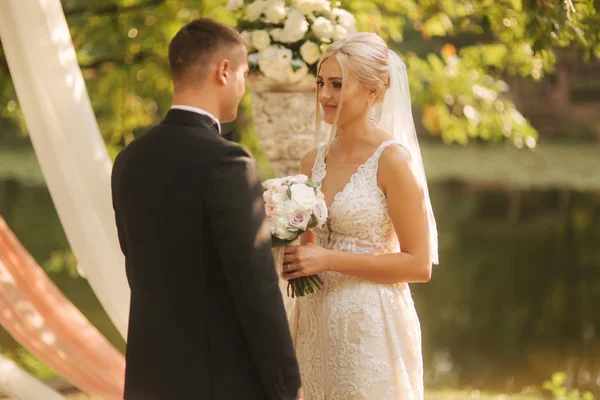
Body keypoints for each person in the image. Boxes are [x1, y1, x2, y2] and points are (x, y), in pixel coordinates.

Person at [111, 18, 301, 400]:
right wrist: (286, 386)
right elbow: (256, 288)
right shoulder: (229, 162)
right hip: (220, 381)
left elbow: (137, 267)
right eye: (245, 74)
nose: (244, 86)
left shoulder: (129, 159)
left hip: (150, 376)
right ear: (224, 70)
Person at [282, 32, 439, 399]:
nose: (324, 95)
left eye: (337, 85)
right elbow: (307, 249)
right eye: (321, 83)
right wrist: (288, 253)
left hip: (370, 329)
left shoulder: (393, 161)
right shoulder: (312, 162)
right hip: (313, 326)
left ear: (373, 91)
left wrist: (326, 258)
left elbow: (419, 265)